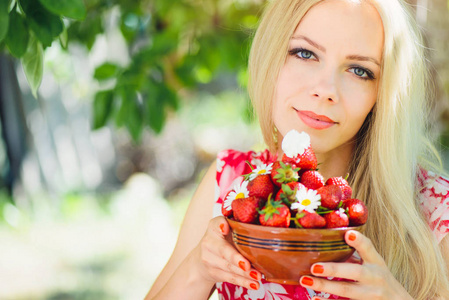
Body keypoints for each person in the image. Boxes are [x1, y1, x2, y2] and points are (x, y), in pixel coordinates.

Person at [146, 0, 449, 299]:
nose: (326, 89)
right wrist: (199, 268)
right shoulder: (231, 182)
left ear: (383, 94)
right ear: (271, 57)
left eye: (359, 70)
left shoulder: (435, 209)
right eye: (305, 53)